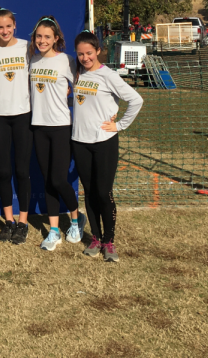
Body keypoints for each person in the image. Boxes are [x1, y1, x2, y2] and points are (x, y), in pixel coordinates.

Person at [72, 31, 144, 264]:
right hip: (79, 141)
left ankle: (109, 241)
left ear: (98, 51)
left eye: (89, 53)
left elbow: (136, 100)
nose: (85, 58)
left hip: (104, 141)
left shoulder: (108, 75)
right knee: (90, 192)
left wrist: (120, 124)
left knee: (103, 193)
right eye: (81, 54)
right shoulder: (75, 73)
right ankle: (95, 237)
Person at [28, 15, 85, 251]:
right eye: (39, 36)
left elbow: (83, 88)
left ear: (56, 39)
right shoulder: (31, 60)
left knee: (59, 179)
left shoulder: (66, 61)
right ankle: (53, 231)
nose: (42, 40)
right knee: (46, 181)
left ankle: (76, 219)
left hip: (61, 127)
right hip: (38, 127)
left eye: (47, 37)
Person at [0, 8, 32, 245]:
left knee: (22, 171)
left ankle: (23, 222)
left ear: (15, 25)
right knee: (4, 171)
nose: (4, 31)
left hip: (23, 115)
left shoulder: (27, 47)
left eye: (8, 26)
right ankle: (8, 221)